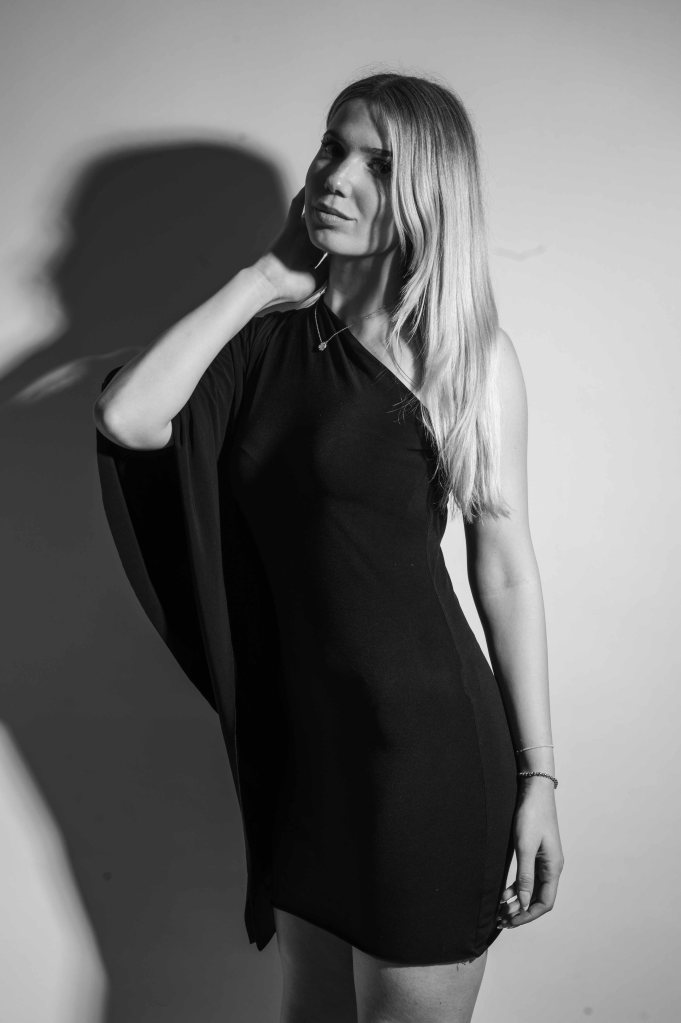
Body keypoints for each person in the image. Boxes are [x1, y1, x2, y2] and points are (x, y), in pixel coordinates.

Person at [94, 71, 564, 1023]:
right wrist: (266, 279)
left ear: (428, 192)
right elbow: (131, 419)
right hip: (307, 759)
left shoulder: (463, 356)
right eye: (330, 147)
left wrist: (539, 777)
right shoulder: (261, 346)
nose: (335, 177)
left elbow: (505, 571)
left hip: (428, 754)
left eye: (378, 165)